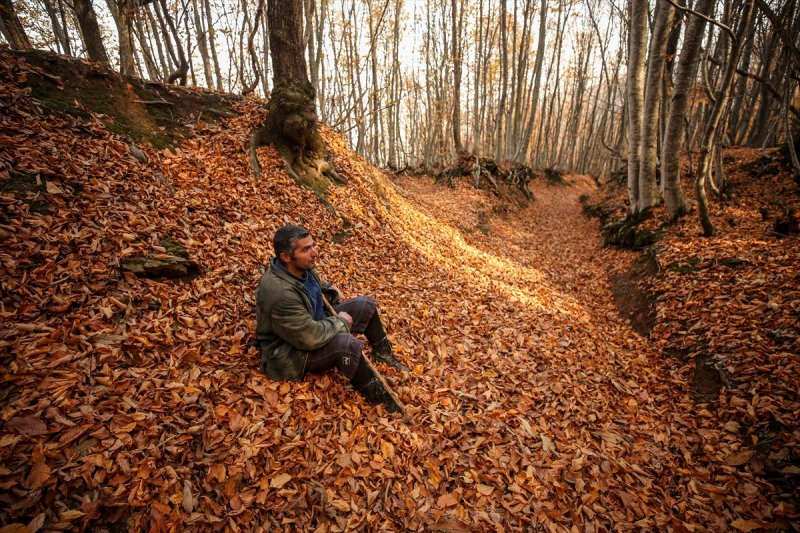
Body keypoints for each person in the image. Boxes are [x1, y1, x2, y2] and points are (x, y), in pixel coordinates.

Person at [254, 224, 409, 412]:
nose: (315, 253)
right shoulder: (280, 293)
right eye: (306, 249)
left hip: (314, 321)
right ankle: (378, 397)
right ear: (285, 257)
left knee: (365, 305)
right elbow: (309, 337)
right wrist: (341, 322)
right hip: (289, 352)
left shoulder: (301, 266)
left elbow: (315, 286)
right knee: (346, 344)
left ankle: (384, 354)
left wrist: (330, 290)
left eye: (313, 246)